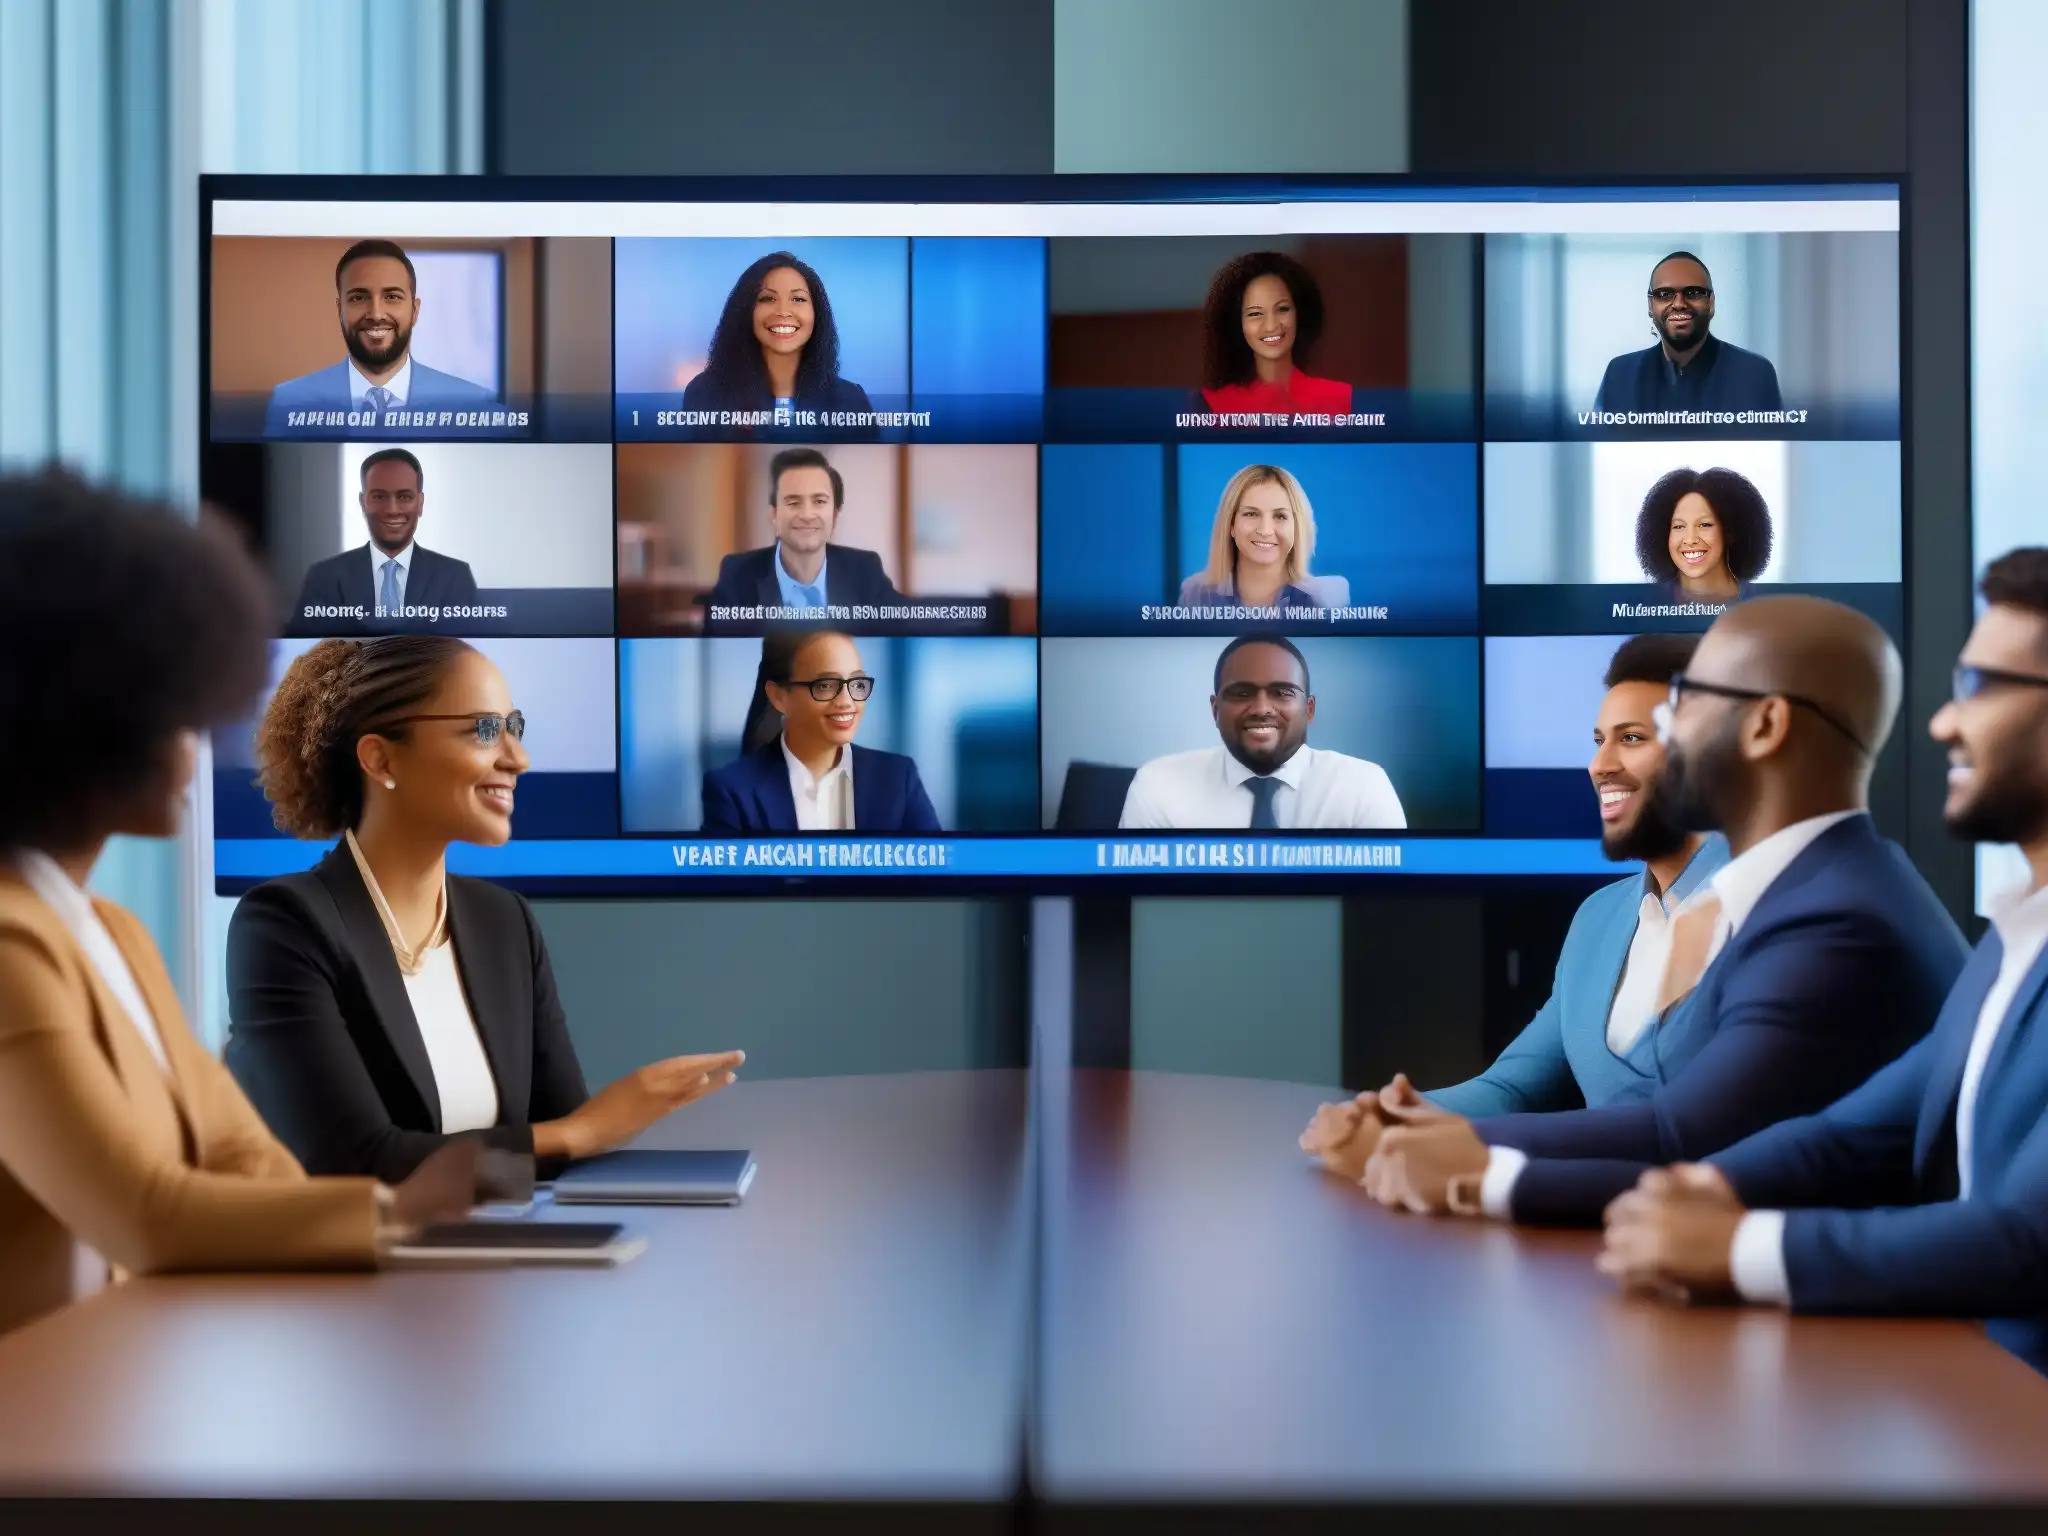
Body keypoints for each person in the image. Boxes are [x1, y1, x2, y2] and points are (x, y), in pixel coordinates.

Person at [0, 469, 488, 1338]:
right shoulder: (10, 948)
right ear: (81, 721)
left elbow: (239, 1154)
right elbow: (145, 1217)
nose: (201, 748)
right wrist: (399, 1216)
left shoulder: (110, 933)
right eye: (179, 717)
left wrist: (390, 1231)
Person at [1349, 595, 1969, 1226]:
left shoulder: (1833, 919)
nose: (1600, 766)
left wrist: (1469, 1164)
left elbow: (1694, 1139)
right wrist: (1407, 1123)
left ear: (1764, 726)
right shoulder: (1796, 892)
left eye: (1685, 709)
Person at [1601, 549, 2048, 1378]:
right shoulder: (2016, 937)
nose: (1944, 724)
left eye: (1982, 689)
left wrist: (1741, 1245)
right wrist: (1705, 1192)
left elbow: (2025, 1240)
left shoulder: (1854, 913)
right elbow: (1855, 1135)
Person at [225, 636, 746, 1184]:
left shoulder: (504, 922)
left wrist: (583, 1139)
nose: (517, 758)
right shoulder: (285, 925)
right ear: (380, 758)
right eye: (483, 730)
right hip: (367, 1264)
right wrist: (587, 1131)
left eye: (513, 727)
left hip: (507, 1257)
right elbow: (355, 1162)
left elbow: (556, 1142)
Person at [1300, 635, 1730, 1176]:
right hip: (1583, 1235)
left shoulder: (1763, 908)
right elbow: (1513, 1088)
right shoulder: (1600, 918)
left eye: (1632, 738)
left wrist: (1455, 1151)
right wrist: (1388, 1117)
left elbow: (1688, 1128)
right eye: (1599, 740)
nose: (1600, 765)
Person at [1119, 633, 1404, 831]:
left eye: (1282, 692)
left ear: (1310, 709)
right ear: (1215, 710)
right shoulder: (1159, 784)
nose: (1261, 708)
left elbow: (1387, 904)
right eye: (1241, 693)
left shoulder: (1364, 787)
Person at [701, 630, 940, 834]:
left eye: (857, 684)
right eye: (826, 686)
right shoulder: (731, 790)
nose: (847, 702)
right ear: (779, 696)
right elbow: (727, 887)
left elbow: (940, 876)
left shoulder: (898, 778)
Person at [263, 240, 497, 433]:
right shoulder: (289, 401)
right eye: (358, 298)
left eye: (392, 297)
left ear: (414, 311)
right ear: (339, 310)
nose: (375, 314)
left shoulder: (474, 404)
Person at [678, 252, 877, 439]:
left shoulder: (850, 400)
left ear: (817, 314)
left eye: (797, 299)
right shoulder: (705, 392)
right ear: (746, 311)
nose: (783, 311)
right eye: (768, 298)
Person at [702, 447, 901, 625]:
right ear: (774, 515)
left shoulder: (865, 571)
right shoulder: (736, 577)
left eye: (819, 501)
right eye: (793, 502)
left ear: (834, 516)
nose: (806, 515)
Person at [291, 449, 479, 627]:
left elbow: (462, 652)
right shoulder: (324, 577)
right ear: (363, 503)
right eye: (379, 497)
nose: (392, 510)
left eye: (404, 497)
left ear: (420, 503)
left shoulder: (454, 577)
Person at [1594, 251, 1784, 417]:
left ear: (1711, 303)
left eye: (1693, 292)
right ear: (1650, 306)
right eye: (1664, 294)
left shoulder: (1754, 372)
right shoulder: (1619, 373)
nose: (1678, 303)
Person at [1195, 252, 1352, 418]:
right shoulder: (1212, 404)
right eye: (1255, 314)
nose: (1271, 326)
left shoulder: (1340, 398)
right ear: (1236, 323)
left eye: (1282, 309)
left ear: (1300, 313)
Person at [1176, 464, 1350, 611]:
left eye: (1280, 516)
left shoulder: (1326, 600)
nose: (1265, 530)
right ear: (1231, 525)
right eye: (1251, 514)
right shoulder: (1195, 595)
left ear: (1297, 528)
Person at [1635, 466, 1772, 603]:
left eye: (1704, 525)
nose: (1690, 539)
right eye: (1679, 526)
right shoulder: (1642, 604)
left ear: (1731, 530)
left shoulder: (1765, 604)